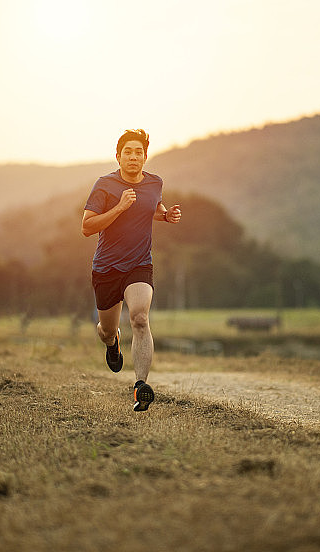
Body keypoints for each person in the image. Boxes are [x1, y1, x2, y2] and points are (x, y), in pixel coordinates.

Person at [81, 129, 181, 411]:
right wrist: (119, 208)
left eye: (139, 152)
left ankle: (140, 387)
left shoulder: (154, 183)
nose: (134, 157)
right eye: (128, 152)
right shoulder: (104, 185)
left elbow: (151, 206)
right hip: (106, 269)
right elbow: (87, 227)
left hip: (139, 265)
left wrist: (165, 215)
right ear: (118, 156)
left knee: (139, 318)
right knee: (107, 329)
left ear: (145, 157)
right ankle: (113, 343)